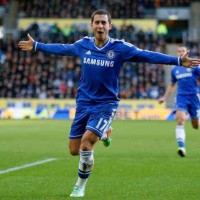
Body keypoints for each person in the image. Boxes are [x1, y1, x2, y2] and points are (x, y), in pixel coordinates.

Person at [18, 10, 200, 198]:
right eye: (97, 22)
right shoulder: (83, 45)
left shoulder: (120, 48)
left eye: (104, 23)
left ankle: (79, 186)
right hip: (83, 103)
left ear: (110, 26)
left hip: (106, 104)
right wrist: (37, 46)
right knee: (73, 150)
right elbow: (62, 48)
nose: (100, 26)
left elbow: (147, 55)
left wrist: (178, 60)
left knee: (86, 144)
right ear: (91, 25)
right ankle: (104, 132)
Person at [158, 46, 200, 157]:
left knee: (196, 125)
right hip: (181, 97)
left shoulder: (194, 66)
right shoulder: (175, 69)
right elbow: (172, 85)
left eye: (183, 51)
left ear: (187, 53)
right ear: (177, 54)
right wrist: (164, 98)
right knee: (180, 120)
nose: (181, 52)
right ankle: (181, 147)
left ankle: (196, 119)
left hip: (194, 97)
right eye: (179, 51)